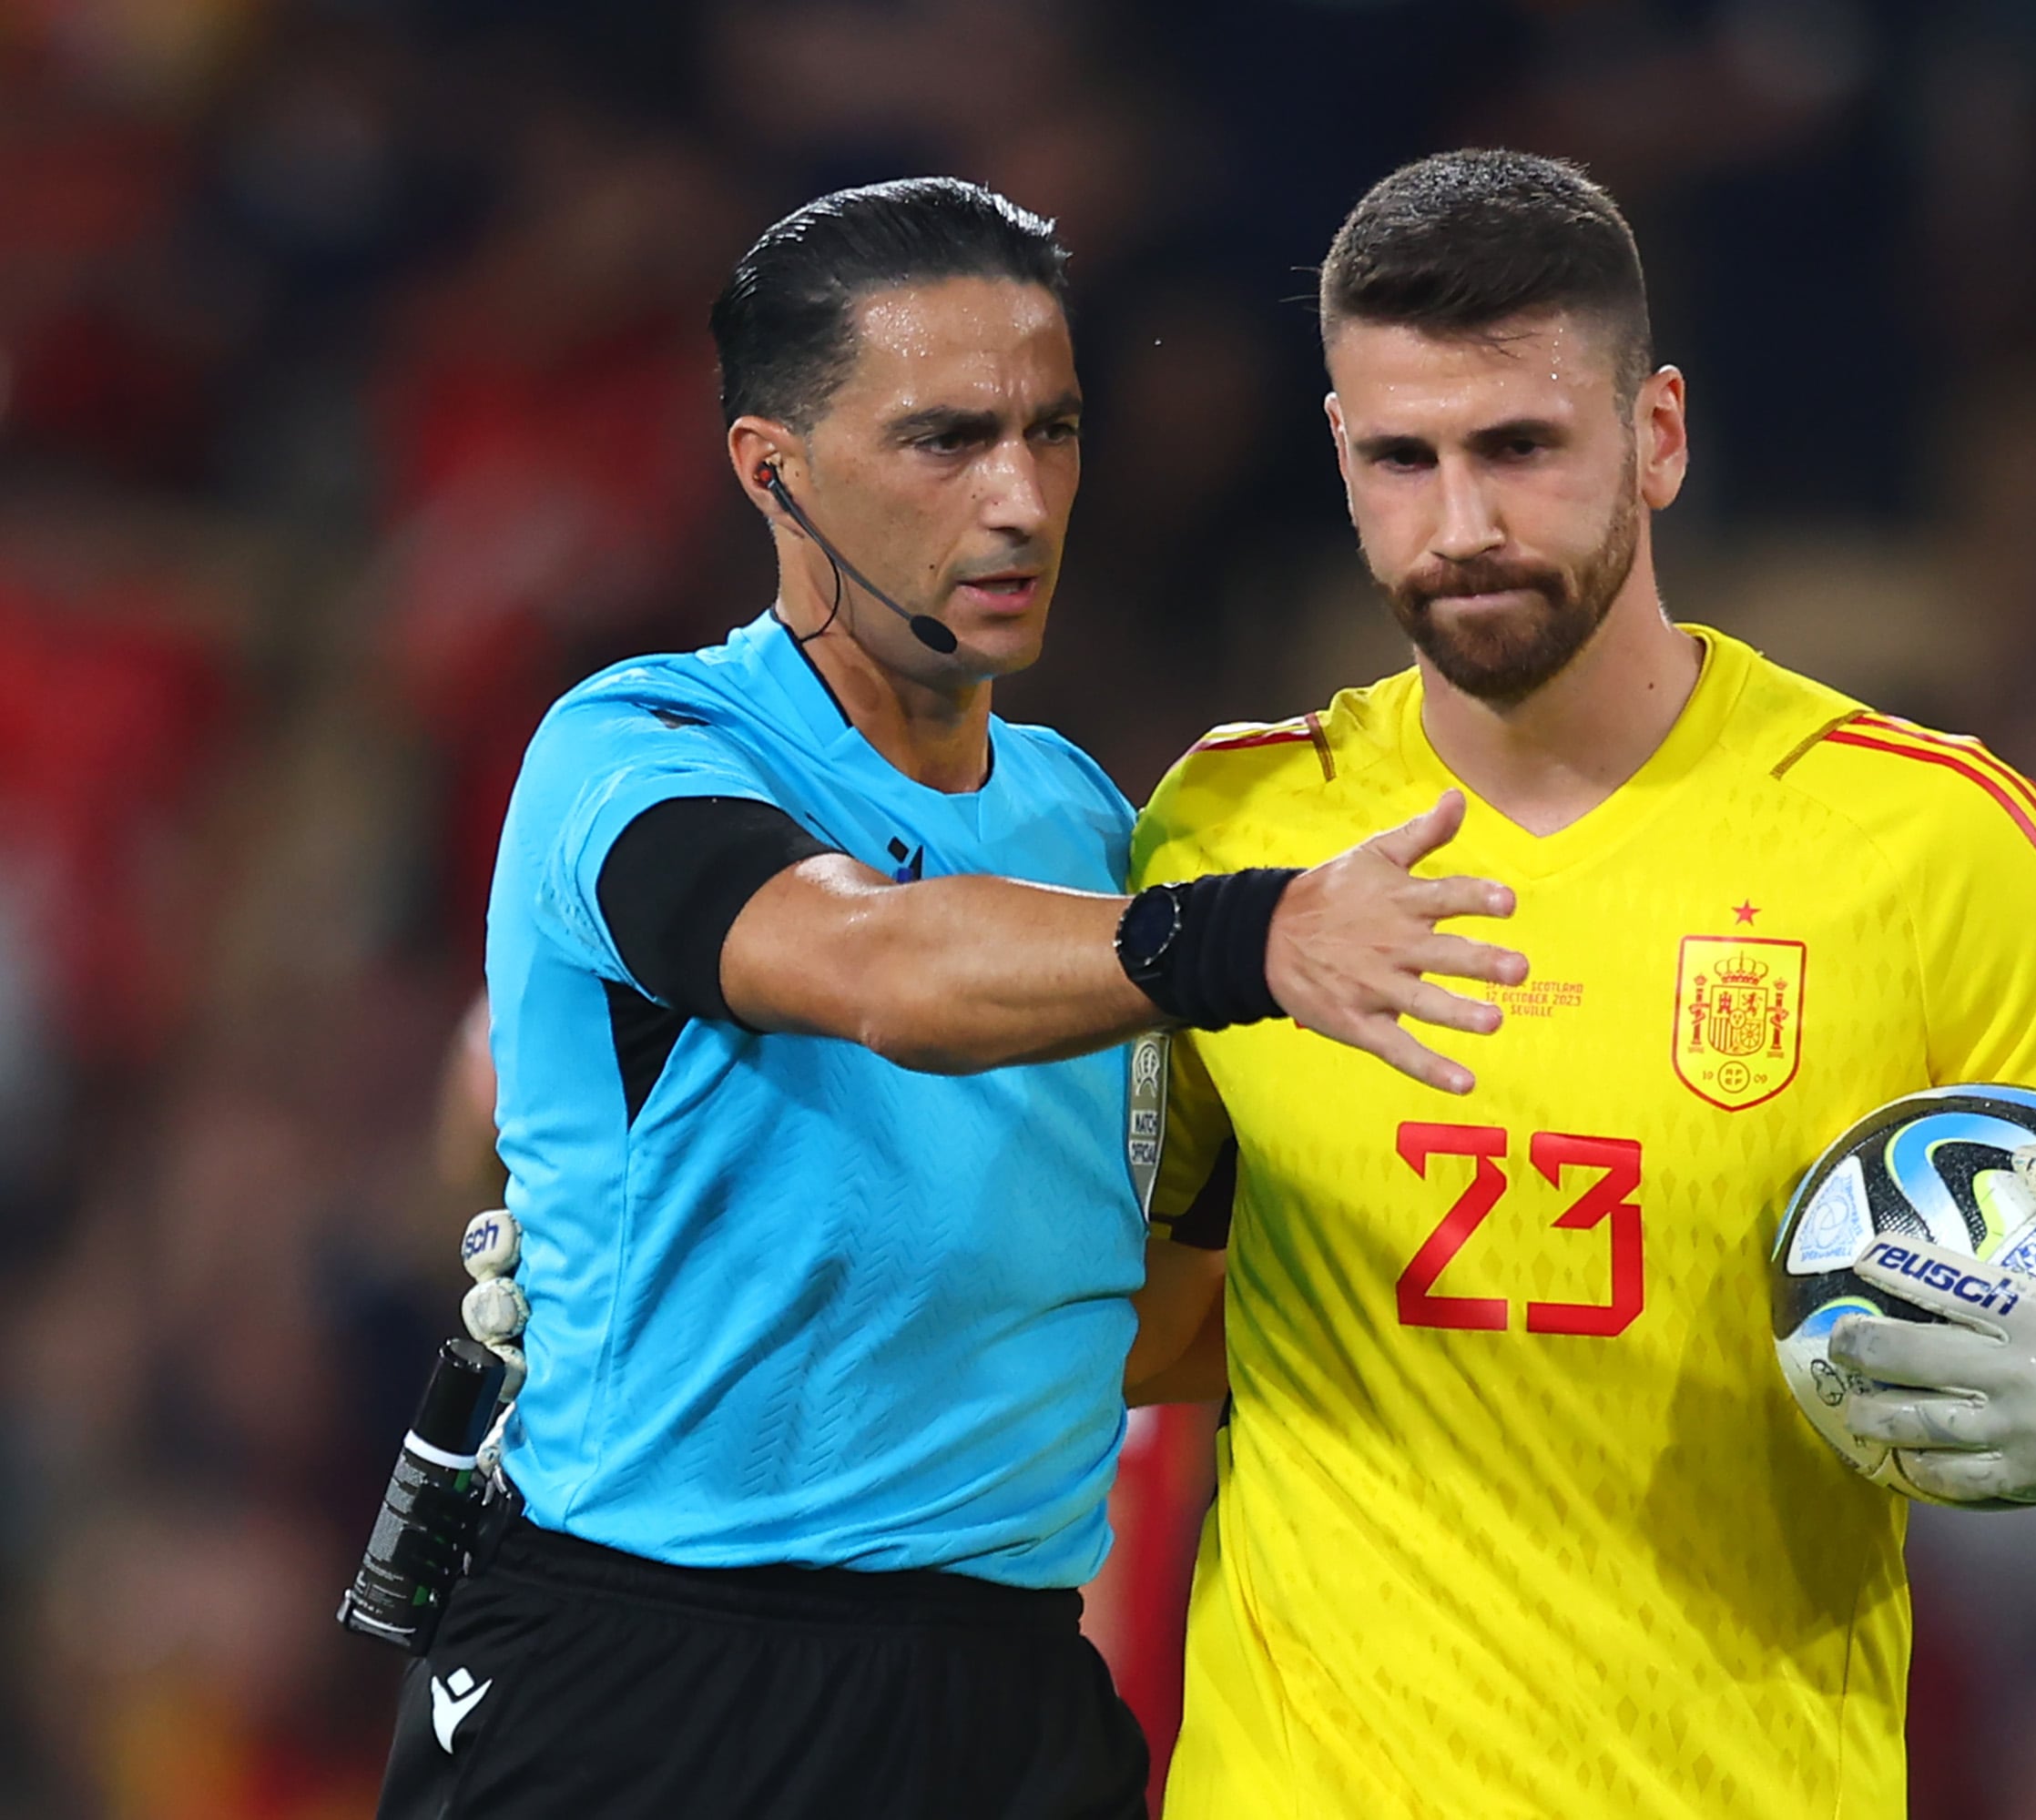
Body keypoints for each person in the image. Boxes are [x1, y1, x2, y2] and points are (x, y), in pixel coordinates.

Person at [1124, 150, 2036, 1816]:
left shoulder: (1922, 843)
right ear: (1340, 457)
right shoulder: (1229, 833)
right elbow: (1140, 1326)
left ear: (1660, 436)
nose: (1462, 523)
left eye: (1521, 449)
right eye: (1403, 459)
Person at [372, 177, 1526, 1820]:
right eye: (946, 440)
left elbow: (1155, 1319)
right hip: (648, 1690)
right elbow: (868, 963)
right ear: (774, 471)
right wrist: (1253, 937)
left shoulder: (1096, 831)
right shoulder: (632, 756)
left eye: (1053, 432)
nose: (1023, 500)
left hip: (1005, 1704)